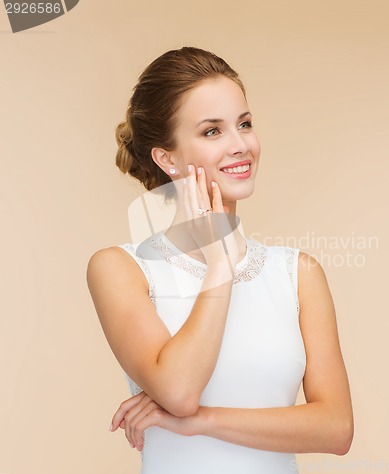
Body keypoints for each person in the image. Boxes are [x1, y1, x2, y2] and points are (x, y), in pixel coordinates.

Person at [86, 46, 353, 473]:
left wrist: (203, 422)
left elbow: (336, 428)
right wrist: (221, 266)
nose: (240, 145)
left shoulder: (298, 274)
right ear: (167, 157)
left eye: (244, 124)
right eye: (212, 131)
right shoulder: (123, 269)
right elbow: (178, 391)